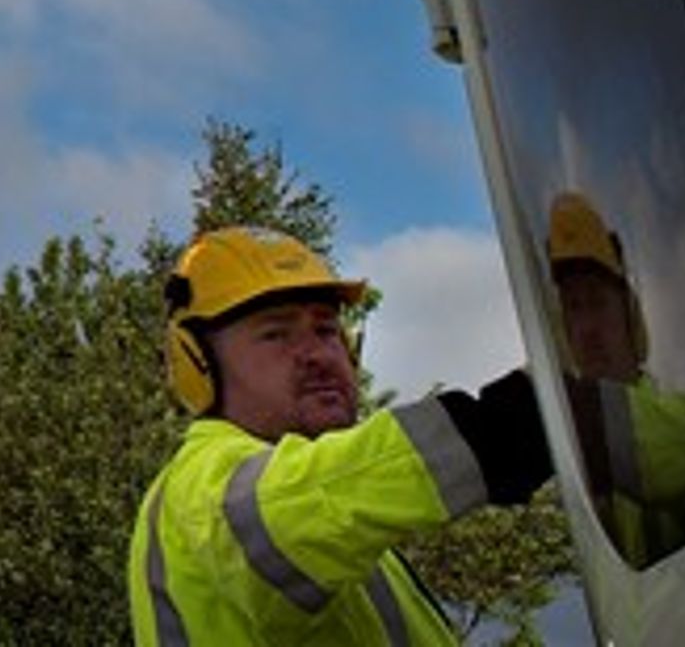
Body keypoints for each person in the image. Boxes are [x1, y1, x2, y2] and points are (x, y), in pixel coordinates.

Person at [129, 226, 550, 645]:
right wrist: (521, 417)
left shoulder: (336, 545)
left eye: (327, 330)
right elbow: (315, 496)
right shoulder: (203, 492)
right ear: (196, 363)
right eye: (275, 334)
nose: (318, 355)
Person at [547, 191, 685, 565]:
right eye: (574, 308)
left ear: (629, 315)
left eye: (598, 301)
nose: (587, 328)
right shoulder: (580, 477)